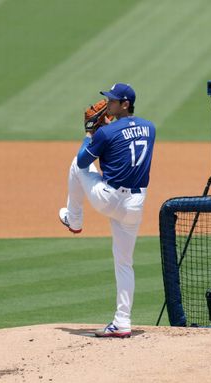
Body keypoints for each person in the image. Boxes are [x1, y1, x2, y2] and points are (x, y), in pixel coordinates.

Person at [59, 83, 156, 338]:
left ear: (125, 104)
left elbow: (84, 161)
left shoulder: (106, 132)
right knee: (125, 263)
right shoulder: (150, 128)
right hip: (135, 206)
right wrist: (105, 132)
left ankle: (74, 220)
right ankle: (122, 322)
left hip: (109, 199)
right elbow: (126, 142)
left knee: (75, 164)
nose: (107, 104)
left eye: (113, 101)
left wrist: (90, 134)